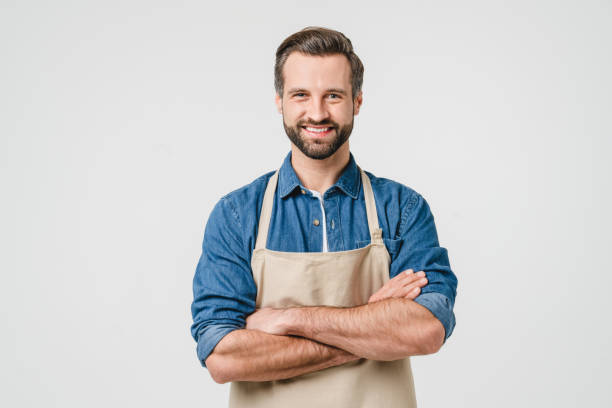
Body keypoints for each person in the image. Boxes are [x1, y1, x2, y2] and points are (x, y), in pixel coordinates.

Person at [190, 26, 458, 408]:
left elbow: (426, 331)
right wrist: (369, 325)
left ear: (357, 101)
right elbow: (223, 357)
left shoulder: (402, 208)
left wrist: (289, 320)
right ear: (280, 101)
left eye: (333, 95)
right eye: (301, 95)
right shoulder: (237, 215)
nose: (317, 112)